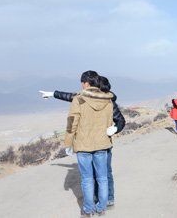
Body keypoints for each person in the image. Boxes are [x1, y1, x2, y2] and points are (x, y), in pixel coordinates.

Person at [39, 76, 124, 208]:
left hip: (99, 144)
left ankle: (107, 199)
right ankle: (100, 202)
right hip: (101, 143)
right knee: (100, 175)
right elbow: (70, 96)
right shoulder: (89, 98)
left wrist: (115, 128)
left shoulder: (107, 101)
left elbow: (121, 121)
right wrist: (53, 94)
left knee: (102, 174)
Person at [64, 70, 113, 217]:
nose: (81, 86)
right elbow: (109, 123)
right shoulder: (107, 100)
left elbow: (71, 122)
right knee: (102, 178)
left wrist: (68, 142)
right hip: (102, 144)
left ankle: (88, 210)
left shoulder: (79, 99)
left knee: (86, 179)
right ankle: (101, 208)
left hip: (84, 145)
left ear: (86, 83)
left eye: (82, 83)